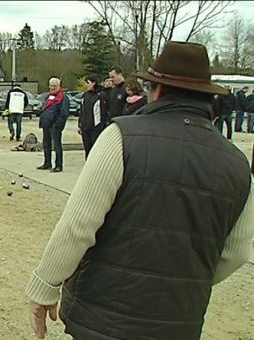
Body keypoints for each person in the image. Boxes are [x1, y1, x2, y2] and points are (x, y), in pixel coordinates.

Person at [27, 41, 254, 340]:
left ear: (155, 90)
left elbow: (78, 225)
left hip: (103, 316)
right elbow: (236, 251)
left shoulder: (121, 137)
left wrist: (45, 285)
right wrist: (184, 282)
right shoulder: (237, 163)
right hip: (179, 320)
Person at [37, 77, 70, 172]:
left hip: (55, 126)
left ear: (59, 86)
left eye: (54, 86)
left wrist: (57, 124)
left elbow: (64, 113)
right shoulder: (48, 96)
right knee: (46, 145)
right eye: (51, 86)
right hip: (46, 125)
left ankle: (58, 165)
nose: (52, 88)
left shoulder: (63, 98)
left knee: (56, 145)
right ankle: (47, 163)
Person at [78, 75, 107, 159]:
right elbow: (82, 110)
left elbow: (103, 112)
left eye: (88, 83)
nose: (86, 85)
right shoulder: (85, 95)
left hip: (95, 127)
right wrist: (80, 124)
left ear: (94, 83)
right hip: (85, 126)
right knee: (87, 148)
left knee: (95, 148)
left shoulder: (101, 95)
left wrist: (101, 126)